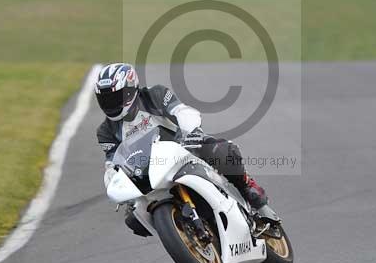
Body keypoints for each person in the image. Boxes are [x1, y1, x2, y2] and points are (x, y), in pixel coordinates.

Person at [94, 63, 270, 236]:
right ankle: (180, 232)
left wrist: (191, 131)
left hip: (184, 149)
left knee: (221, 153)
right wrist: (116, 186)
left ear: (132, 89)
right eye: (106, 99)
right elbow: (113, 164)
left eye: (116, 97)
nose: (111, 103)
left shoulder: (154, 95)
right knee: (133, 219)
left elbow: (182, 111)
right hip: (148, 173)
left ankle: (250, 190)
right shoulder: (105, 131)